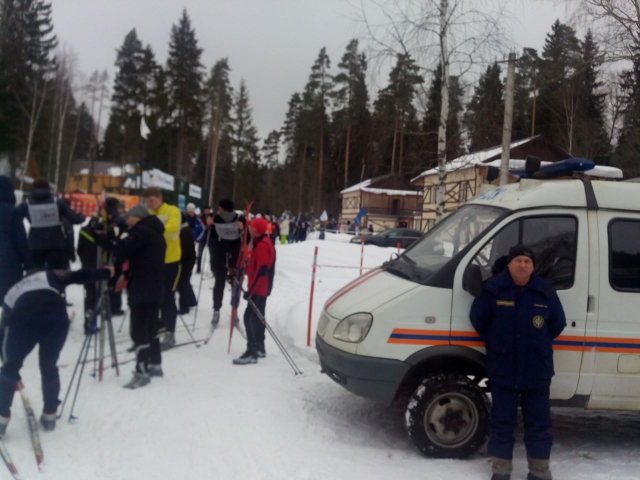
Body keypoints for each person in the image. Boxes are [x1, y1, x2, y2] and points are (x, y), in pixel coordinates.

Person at [470, 245, 566, 480]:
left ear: (532, 266)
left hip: (536, 370)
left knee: (539, 425)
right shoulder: (493, 290)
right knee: (502, 422)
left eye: (527, 261)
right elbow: (478, 319)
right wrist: (499, 343)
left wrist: (533, 344)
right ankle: (501, 472)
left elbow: (557, 323)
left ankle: (540, 472)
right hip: (504, 369)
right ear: (509, 264)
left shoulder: (545, 291)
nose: (522, 265)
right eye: (518, 261)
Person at [0, 266, 113, 436]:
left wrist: (11, 369)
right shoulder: (51, 275)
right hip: (55, 319)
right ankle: (50, 414)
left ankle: (1, 419)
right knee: (48, 365)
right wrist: (105, 272)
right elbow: (78, 275)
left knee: (9, 368)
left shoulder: (13, 290)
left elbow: (5, 326)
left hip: (22, 321)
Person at [114, 205, 166, 389]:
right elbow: (144, 260)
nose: (126, 221)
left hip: (143, 288)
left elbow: (122, 251)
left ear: (138, 217)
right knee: (150, 327)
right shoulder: (155, 232)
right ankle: (155, 364)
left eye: (129, 218)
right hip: (154, 286)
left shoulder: (141, 232)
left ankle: (142, 370)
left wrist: (109, 241)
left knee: (138, 331)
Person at [142, 187, 182, 349]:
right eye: (146, 201)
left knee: (168, 296)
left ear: (160, 198)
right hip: (154, 261)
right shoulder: (148, 213)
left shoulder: (172, 211)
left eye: (151, 200)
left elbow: (172, 227)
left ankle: (170, 333)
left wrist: (150, 230)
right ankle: (160, 322)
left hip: (171, 261)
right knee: (155, 295)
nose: (149, 204)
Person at [233, 217, 276, 365]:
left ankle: (251, 352)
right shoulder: (259, 243)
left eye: (251, 228)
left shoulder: (262, 246)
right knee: (258, 317)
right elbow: (254, 266)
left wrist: (251, 291)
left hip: (259, 289)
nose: (249, 230)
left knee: (249, 317)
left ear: (256, 231)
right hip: (259, 287)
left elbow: (262, 271)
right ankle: (259, 347)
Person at [17, 177, 85, 269]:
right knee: (55, 278)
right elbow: (75, 219)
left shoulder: (26, 204)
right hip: (56, 246)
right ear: (48, 188)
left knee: (36, 278)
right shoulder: (57, 203)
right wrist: (82, 215)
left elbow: (13, 220)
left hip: (35, 247)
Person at [206, 198, 244, 327]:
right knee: (226, 283)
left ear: (224, 208)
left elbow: (246, 236)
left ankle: (228, 310)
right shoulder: (218, 218)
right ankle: (220, 310)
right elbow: (211, 236)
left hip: (228, 255)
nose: (218, 210)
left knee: (228, 283)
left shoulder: (222, 218)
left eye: (220, 208)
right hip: (225, 255)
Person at [0, 175, 33, 304]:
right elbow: (20, 240)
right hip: (10, 264)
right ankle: (7, 323)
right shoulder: (12, 212)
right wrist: (29, 264)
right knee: (10, 300)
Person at [77, 216, 101, 331]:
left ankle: (89, 321)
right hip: (100, 267)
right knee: (97, 294)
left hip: (87, 267)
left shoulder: (83, 230)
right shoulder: (102, 233)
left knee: (90, 295)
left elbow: (79, 250)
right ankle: (94, 318)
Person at [177, 216, 198, 315]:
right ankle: (192, 301)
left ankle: (184, 307)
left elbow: (185, 249)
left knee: (182, 283)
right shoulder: (185, 229)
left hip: (186, 261)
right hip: (188, 260)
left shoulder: (184, 231)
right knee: (185, 282)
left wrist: (179, 259)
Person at [196, 206, 212, 274]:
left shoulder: (212, 216)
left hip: (210, 237)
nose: (207, 211)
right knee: (200, 254)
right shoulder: (200, 217)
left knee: (212, 254)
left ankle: (212, 268)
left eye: (208, 210)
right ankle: (198, 268)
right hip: (202, 237)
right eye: (206, 210)